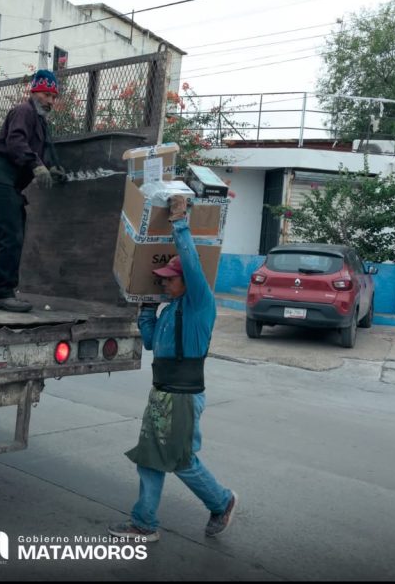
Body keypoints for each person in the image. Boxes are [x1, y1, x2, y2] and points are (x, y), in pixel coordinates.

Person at [109, 193, 237, 542]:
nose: (164, 282)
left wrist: (180, 223)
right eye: (162, 279)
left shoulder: (199, 304)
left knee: (180, 460)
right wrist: (148, 307)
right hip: (163, 394)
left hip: (182, 396)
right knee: (150, 458)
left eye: (169, 279)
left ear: (186, 282)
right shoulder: (171, 310)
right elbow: (151, 343)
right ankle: (144, 523)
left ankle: (222, 501)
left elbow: (192, 264)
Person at [0, 69, 67, 312]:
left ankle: (3, 290)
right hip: (2, 184)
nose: (51, 101)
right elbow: (16, 142)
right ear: (34, 92)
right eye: (47, 95)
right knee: (11, 239)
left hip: (10, 188)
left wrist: (50, 168)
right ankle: (0, 293)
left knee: (13, 240)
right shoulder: (24, 111)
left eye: (54, 97)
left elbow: (38, 152)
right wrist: (37, 166)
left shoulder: (39, 120)